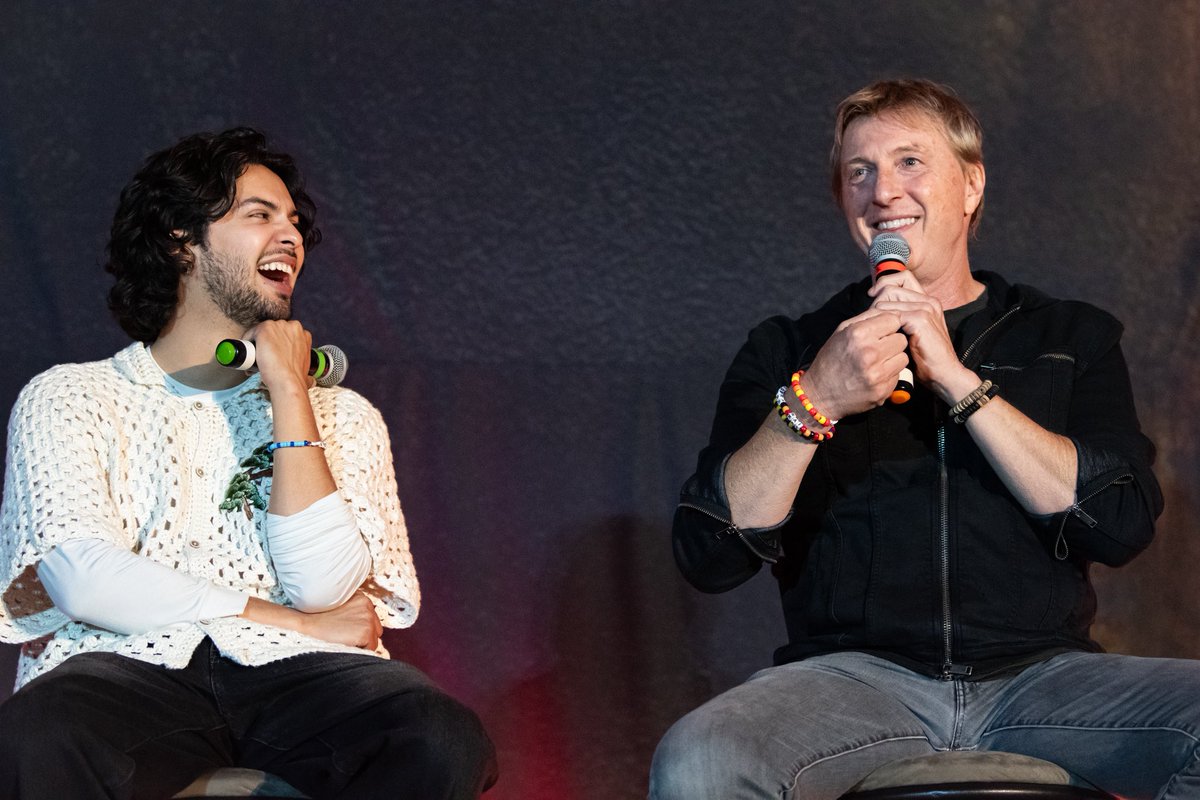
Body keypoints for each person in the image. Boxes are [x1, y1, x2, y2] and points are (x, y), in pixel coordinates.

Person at [650, 79, 1200, 799]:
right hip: (849, 683)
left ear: (970, 186)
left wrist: (958, 381)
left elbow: (1119, 524)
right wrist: (815, 401)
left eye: (910, 162)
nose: (883, 191)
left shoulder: (1068, 337)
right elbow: (710, 552)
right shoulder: (790, 348)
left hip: (1043, 681)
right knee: (698, 758)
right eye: (860, 171)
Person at [0, 127, 497, 799]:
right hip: (122, 669)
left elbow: (325, 589)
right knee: (43, 732)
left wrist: (292, 395)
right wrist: (290, 619)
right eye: (259, 215)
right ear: (181, 237)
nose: (289, 237)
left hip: (301, 677)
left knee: (434, 735)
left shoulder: (342, 416)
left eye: (294, 222)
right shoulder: (70, 397)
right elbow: (84, 579)